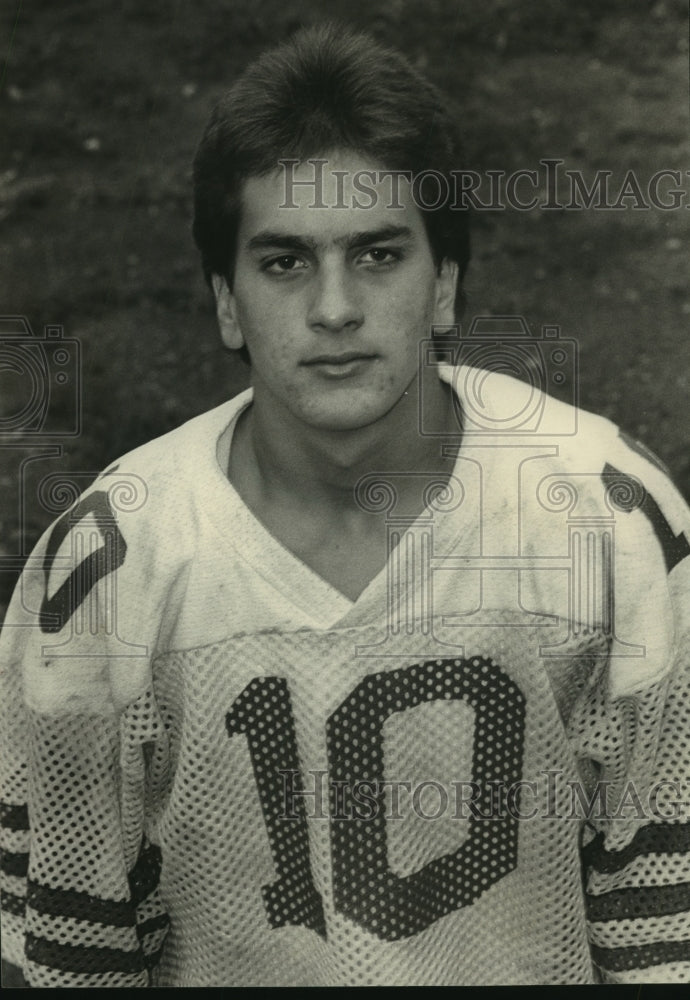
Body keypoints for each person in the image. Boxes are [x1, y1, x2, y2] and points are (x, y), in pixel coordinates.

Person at [1, 23, 689, 987]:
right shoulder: (113, 568)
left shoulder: (609, 522)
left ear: (443, 283)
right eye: (284, 262)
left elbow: (663, 942)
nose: (333, 309)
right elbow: (71, 960)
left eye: (377, 256)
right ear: (227, 302)